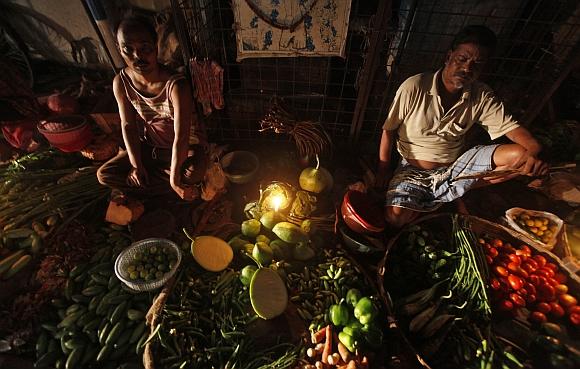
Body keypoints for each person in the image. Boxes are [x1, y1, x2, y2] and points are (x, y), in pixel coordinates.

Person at [376, 25, 548, 228]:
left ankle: (447, 193)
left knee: (520, 156)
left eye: (477, 64)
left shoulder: (481, 95)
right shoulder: (415, 86)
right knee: (395, 218)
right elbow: (388, 130)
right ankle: (447, 196)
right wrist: (383, 171)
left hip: (456, 169)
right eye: (462, 59)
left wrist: (533, 153)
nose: (467, 68)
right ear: (449, 56)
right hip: (413, 171)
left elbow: (516, 131)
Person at [97, 15, 206, 201]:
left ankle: (164, 186)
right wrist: (136, 164)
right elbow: (128, 126)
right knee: (105, 174)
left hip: (182, 150)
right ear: (119, 50)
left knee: (193, 172)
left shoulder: (176, 86)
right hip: (151, 148)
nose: (137, 57)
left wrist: (174, 178)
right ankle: (164, 187)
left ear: (155, 46)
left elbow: (182, 136)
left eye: (144, 48)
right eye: (128, 50)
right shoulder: (121, 83)